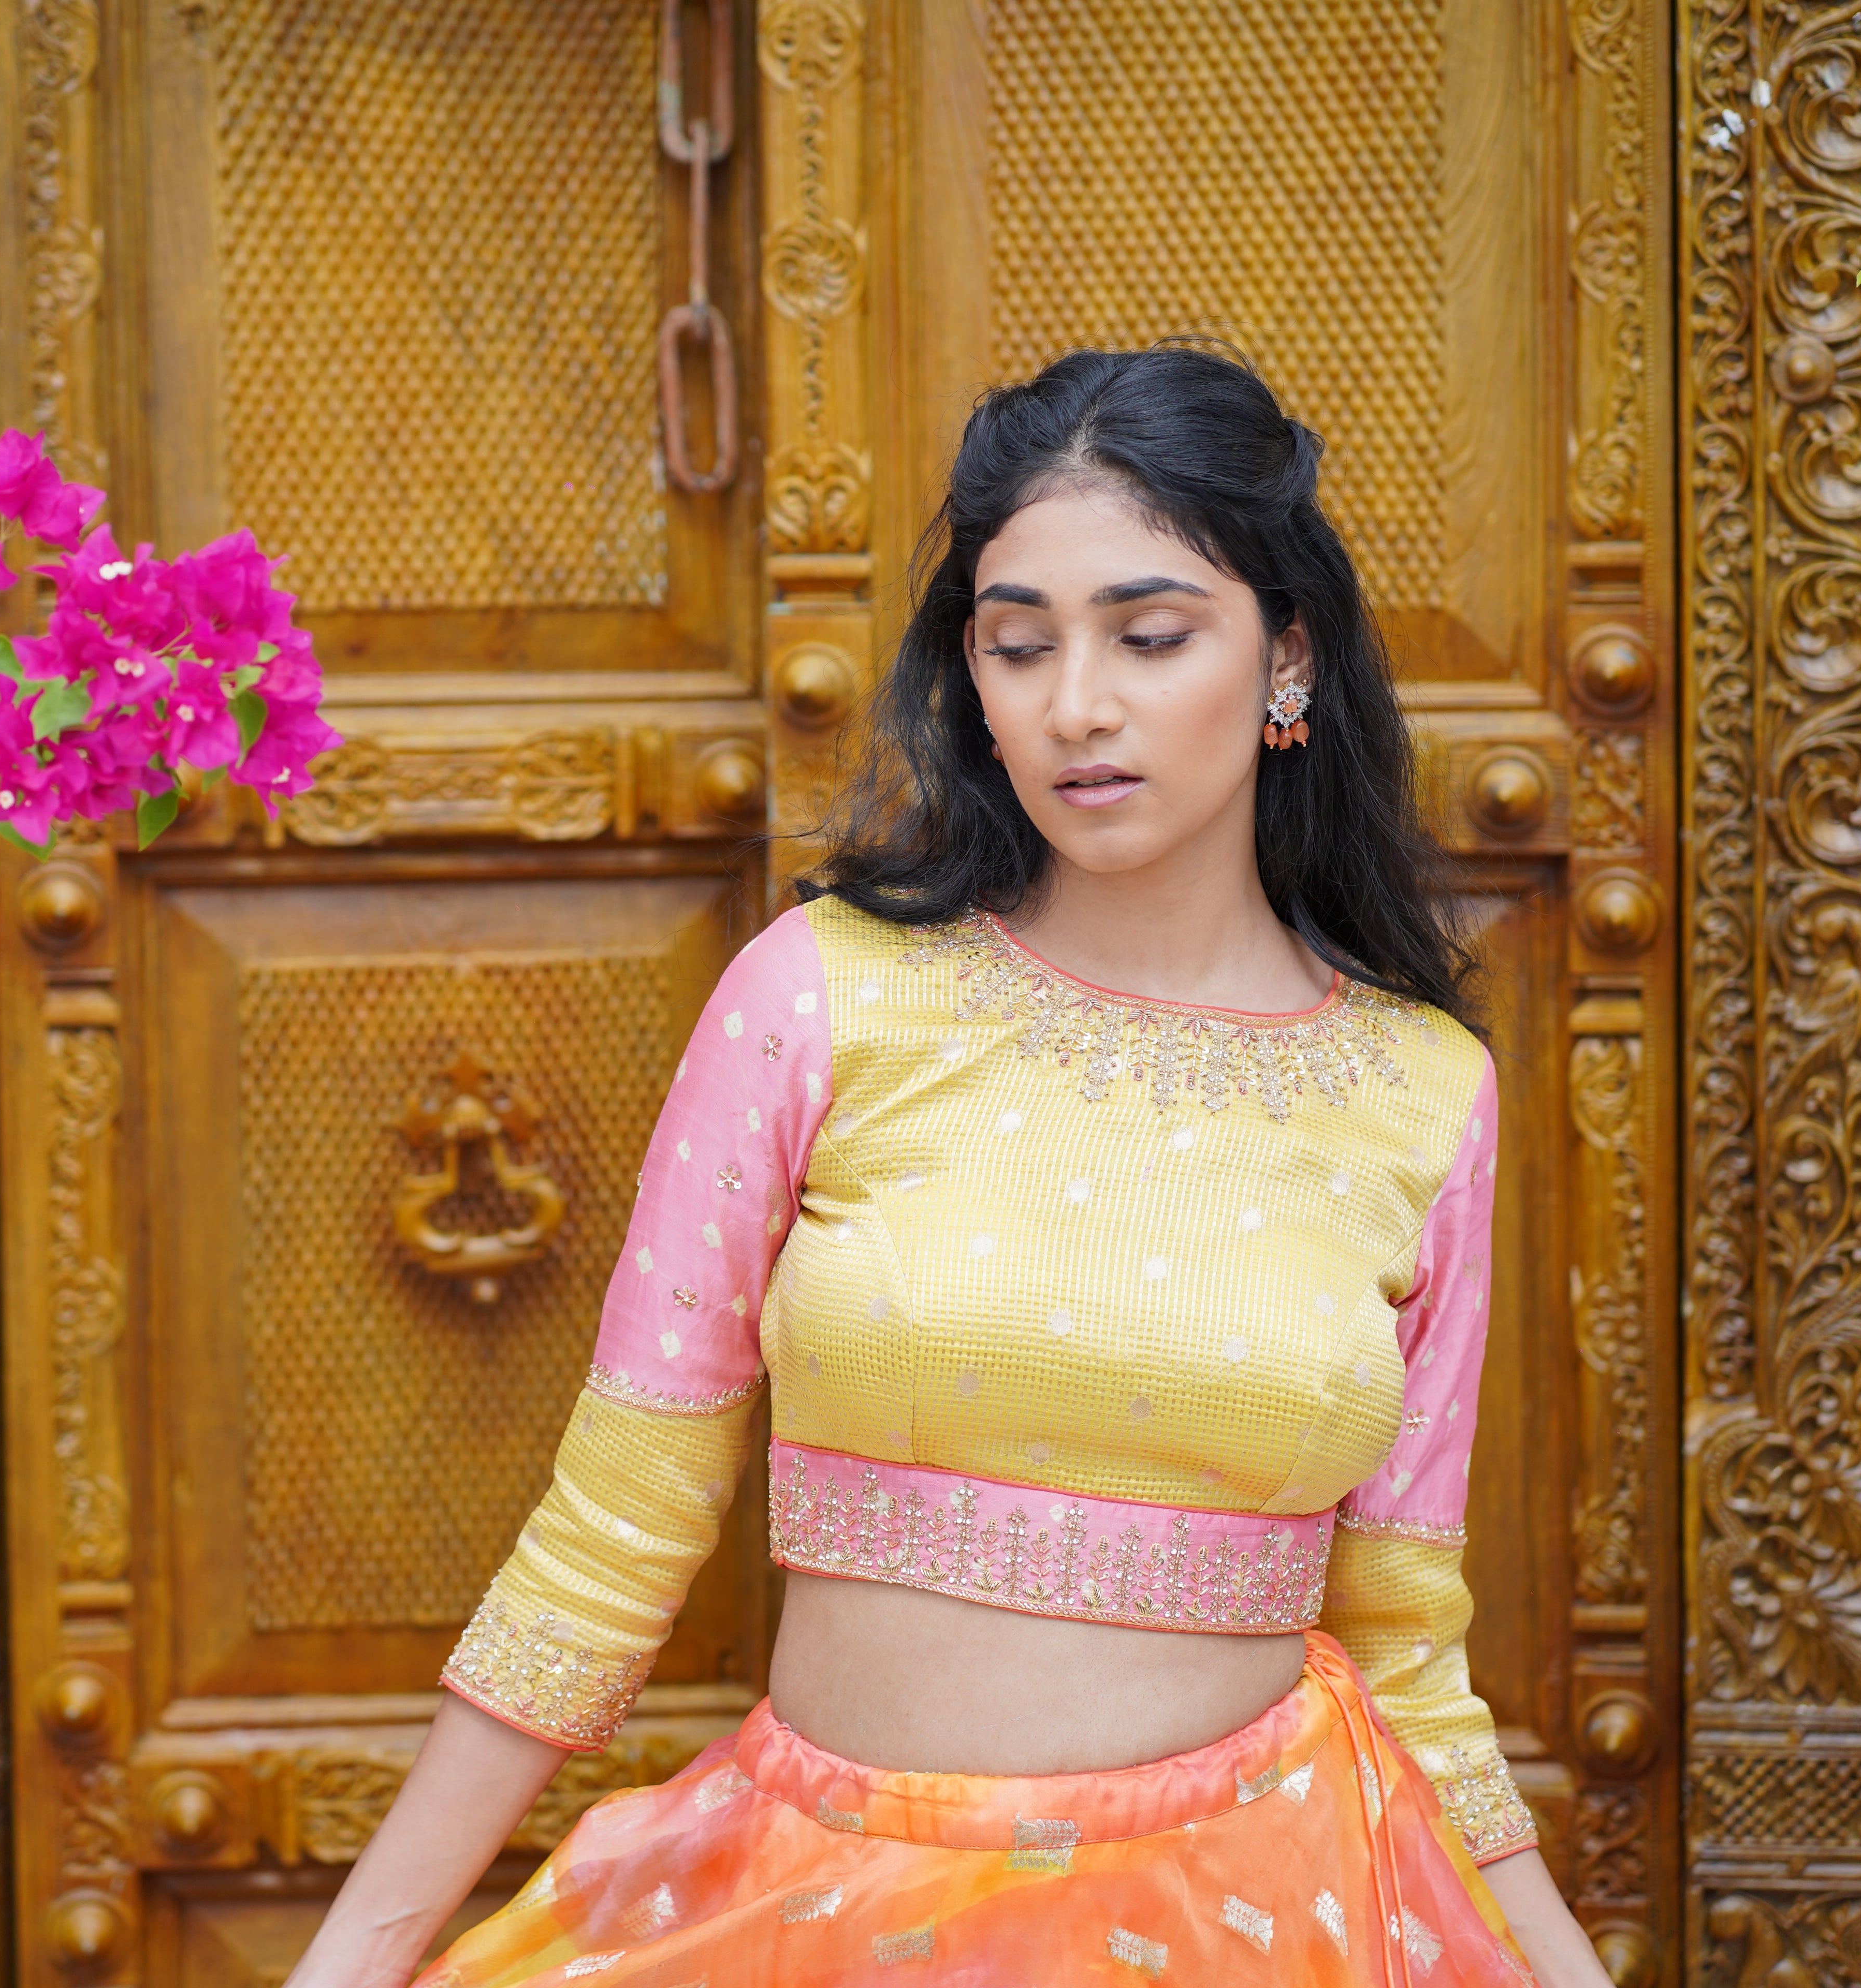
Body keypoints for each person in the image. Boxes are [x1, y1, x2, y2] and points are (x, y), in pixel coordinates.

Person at [289, 346, 1611, 1986]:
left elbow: (1405, 1635)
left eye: (1150, 634)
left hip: (1266, 1916)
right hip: (825, 1915)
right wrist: (358, 1954)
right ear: (971, 676)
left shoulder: (1422, 1093)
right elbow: (615, 1527)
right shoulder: (825, 995)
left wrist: (1557, 1964)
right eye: (1018, 641)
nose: (1078, 706)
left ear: (1288, 657)